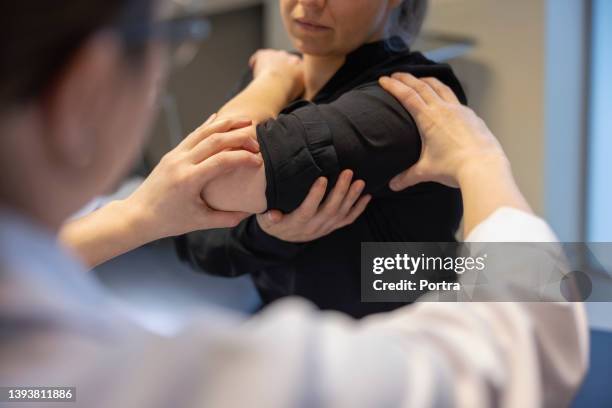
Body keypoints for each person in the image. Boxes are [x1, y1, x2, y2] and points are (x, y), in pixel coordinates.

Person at [0, 0, 587, 405]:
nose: (308, 4)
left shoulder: (397, 101)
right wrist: (265, 235)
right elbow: (194, 238)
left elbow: (209, 190)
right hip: (308, 316)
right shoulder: (275, 95)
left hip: (395, 307)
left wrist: (266, 88)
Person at [177, 0, 465, 317]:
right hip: (290, 330)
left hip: (395, 343)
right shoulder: (269, 83)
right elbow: (188, 231)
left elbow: (213, 176)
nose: (310, 2)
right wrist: (269, 234)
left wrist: (273, 82)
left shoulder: (405, 102)